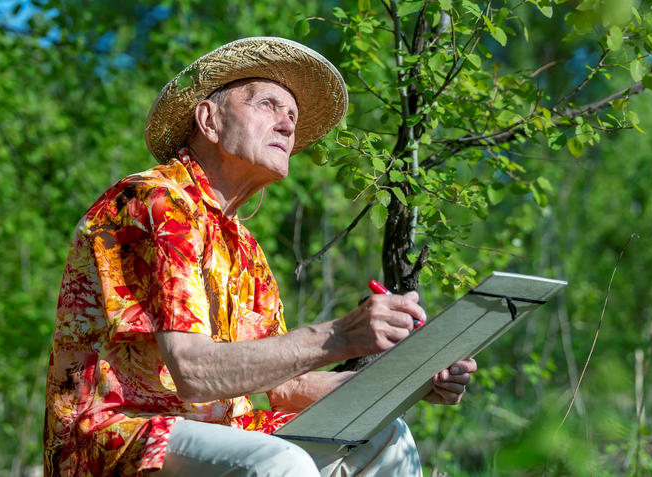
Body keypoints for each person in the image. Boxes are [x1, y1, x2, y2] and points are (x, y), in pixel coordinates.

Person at [43, 37, 477, 477]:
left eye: (293, 116)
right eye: (268, 105)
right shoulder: (154, 201)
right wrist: (340, 335)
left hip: (224, 436)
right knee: (279, 462)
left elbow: (289, 387)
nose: (288, 126)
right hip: (117, 439)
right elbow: (193, 371)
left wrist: (409, 379)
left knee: (387, 436)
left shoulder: (243, 247)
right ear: (209, 120)